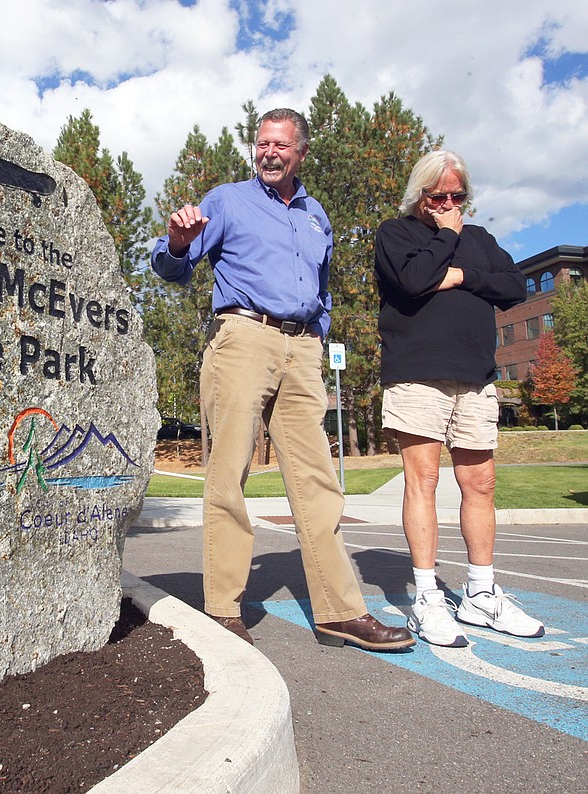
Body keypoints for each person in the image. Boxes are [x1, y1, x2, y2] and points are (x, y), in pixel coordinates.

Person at [151, 108, 413, 650]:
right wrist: (177, 243)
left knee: (317, 480)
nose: (269, 153)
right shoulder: (228, 199)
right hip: (244, 338)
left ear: (301, 153)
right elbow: (173, 267)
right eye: (262, 144)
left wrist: (318, 334)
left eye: (281, 146)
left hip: (303, 349)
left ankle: (339, 612)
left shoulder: (316, 214)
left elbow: (322, 287)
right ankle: (223, 609)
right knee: (229, 474)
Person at [374, 150, 542, 647]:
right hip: (418, 373)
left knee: (481, 483)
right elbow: (411, 280)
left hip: (476, 375)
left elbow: (513, 287)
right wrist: (446, 237)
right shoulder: (396, 234)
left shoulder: (482, 240)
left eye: (457, 196)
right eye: (438, 196)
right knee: (422, 479)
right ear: (419, 195)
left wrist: (464, 275)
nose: (449, 204)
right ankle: (427, 597)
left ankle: (480, 594)